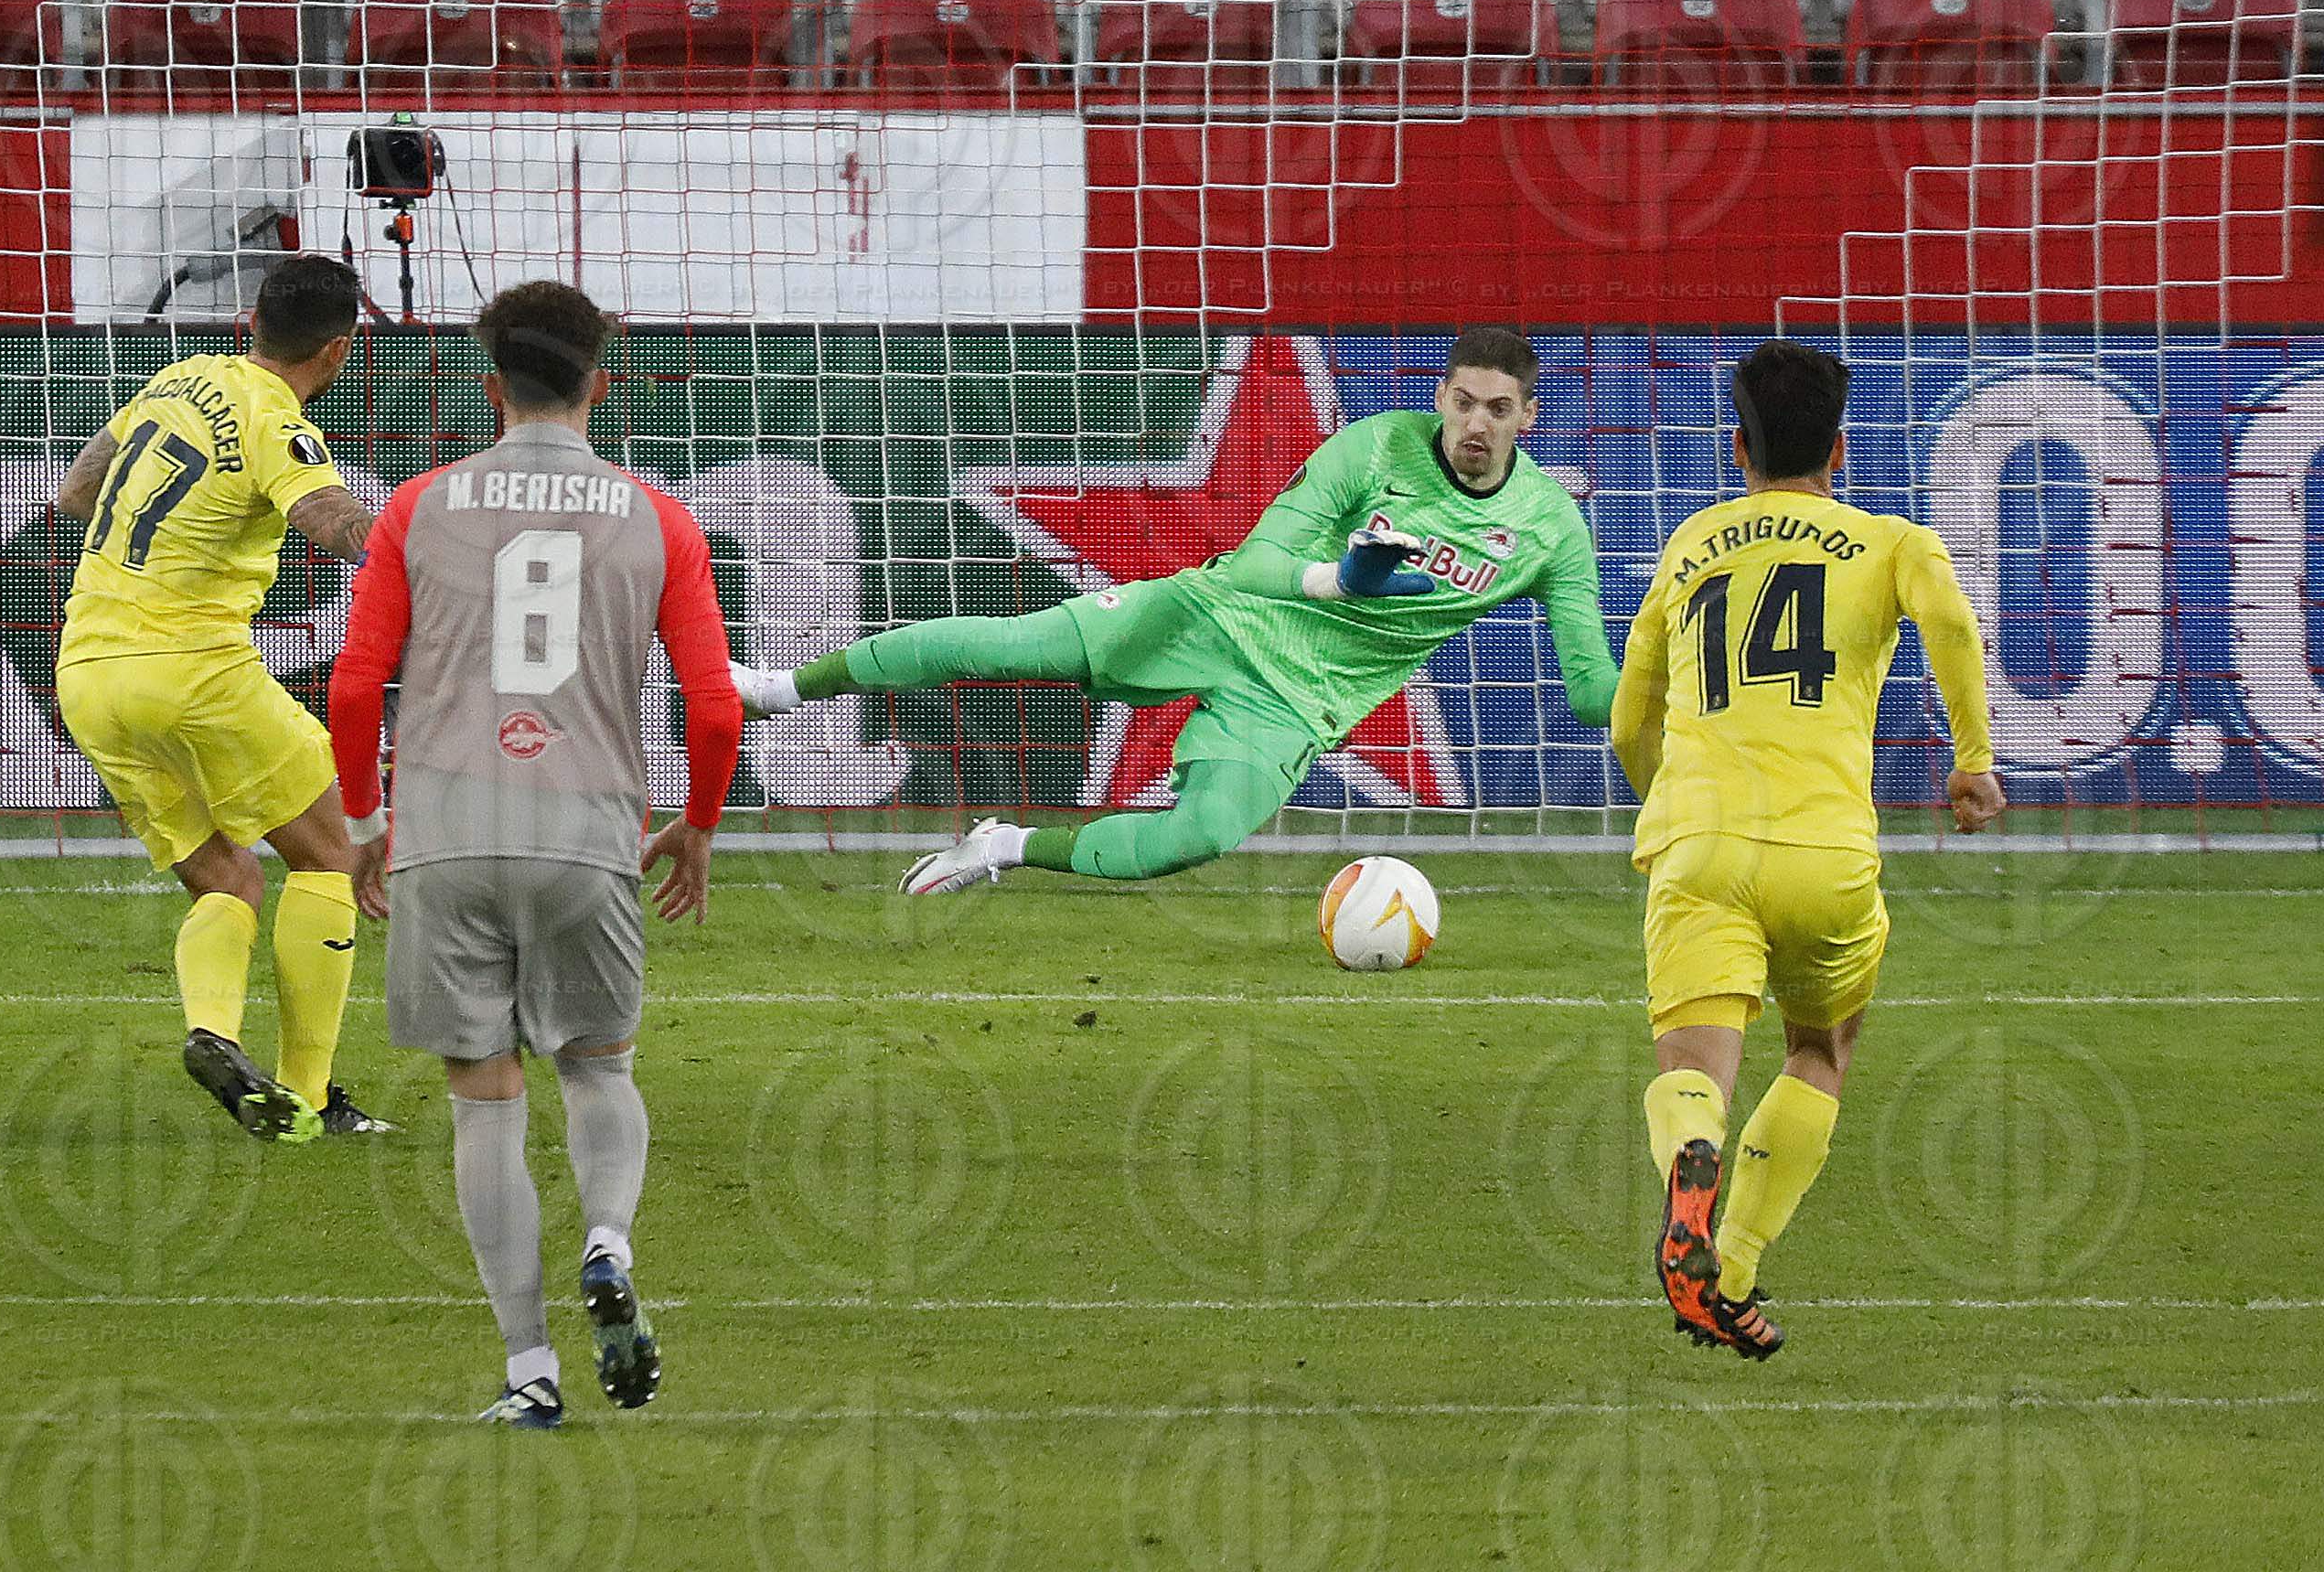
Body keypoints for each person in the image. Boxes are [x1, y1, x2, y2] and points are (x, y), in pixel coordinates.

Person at [734, 326, 1618, 894]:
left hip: (1295, 706)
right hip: (1215, 615)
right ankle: (781, 687)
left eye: (1498, 409)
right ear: (1442, 397)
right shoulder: (1376, 445)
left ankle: (1002, 846)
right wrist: (1339, 579)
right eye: (1463, 400)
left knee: (1187, 842)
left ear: (1528, 419)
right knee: (1008, 644)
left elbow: (1588, 691)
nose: (1475, 422)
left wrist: (1661, 688)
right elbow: (1264, 558)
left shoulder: (1550, 529)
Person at [328, 280, 742, 1429]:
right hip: (587, 833)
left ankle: (528, 1370)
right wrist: (697, 825)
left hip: (447, 835)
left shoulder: (416, 505)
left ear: (489, 384)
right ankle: (606, 1240)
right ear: (598, 380)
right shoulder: (658, 518)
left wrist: (365, 824)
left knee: (482, 1099)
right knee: (599, 1066)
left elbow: (355, 684)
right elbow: (714, 709)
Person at [1611, 339, 2005, 1359]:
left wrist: (1678, 808)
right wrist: (1970, 759)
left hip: (1698, 846)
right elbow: (1951, 623)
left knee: (1695, 1067)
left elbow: (1625, 723)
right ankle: (1729, 1269)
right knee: (1817, 1048)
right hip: (1825, 853)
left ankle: (1690, 1157)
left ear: (1732, 444)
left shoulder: (1689, 543)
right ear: (1840, 447)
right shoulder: (1888, 540)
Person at [54, 252, 389, 1143]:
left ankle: (214, 1032)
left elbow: (74, 489)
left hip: (88, 671)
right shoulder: (277, 418)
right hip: (194, 668)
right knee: (333, 857)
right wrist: (415, 545)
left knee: (226, 876)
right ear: (338, 349)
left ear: (250, 324)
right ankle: (312, 1095)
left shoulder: (179, 377)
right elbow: (330, 518)